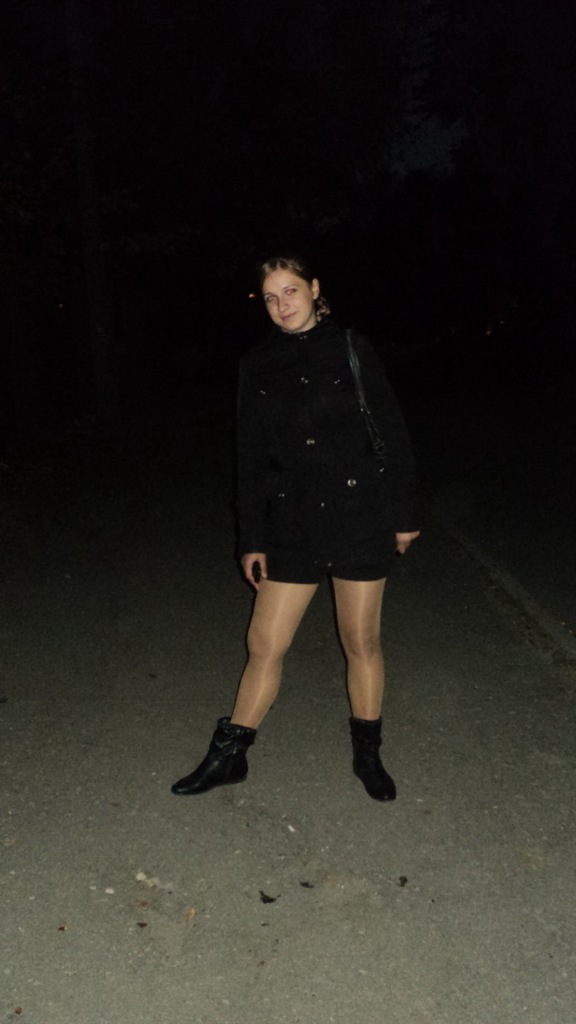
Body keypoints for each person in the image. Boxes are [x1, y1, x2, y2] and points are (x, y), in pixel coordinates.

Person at [172, 255, 420, 802]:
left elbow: (392, 430)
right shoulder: (257, 363)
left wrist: (404, 514)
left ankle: (368, 754)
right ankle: (229, 756)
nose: (282, 304)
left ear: (314, 289)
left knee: (360, 641)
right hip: (292, 522)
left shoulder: (352, 347)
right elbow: (249, 455)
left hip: (358, 515)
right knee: (264, 642)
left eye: (290, 290)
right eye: (270, 297)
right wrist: (252, 538)